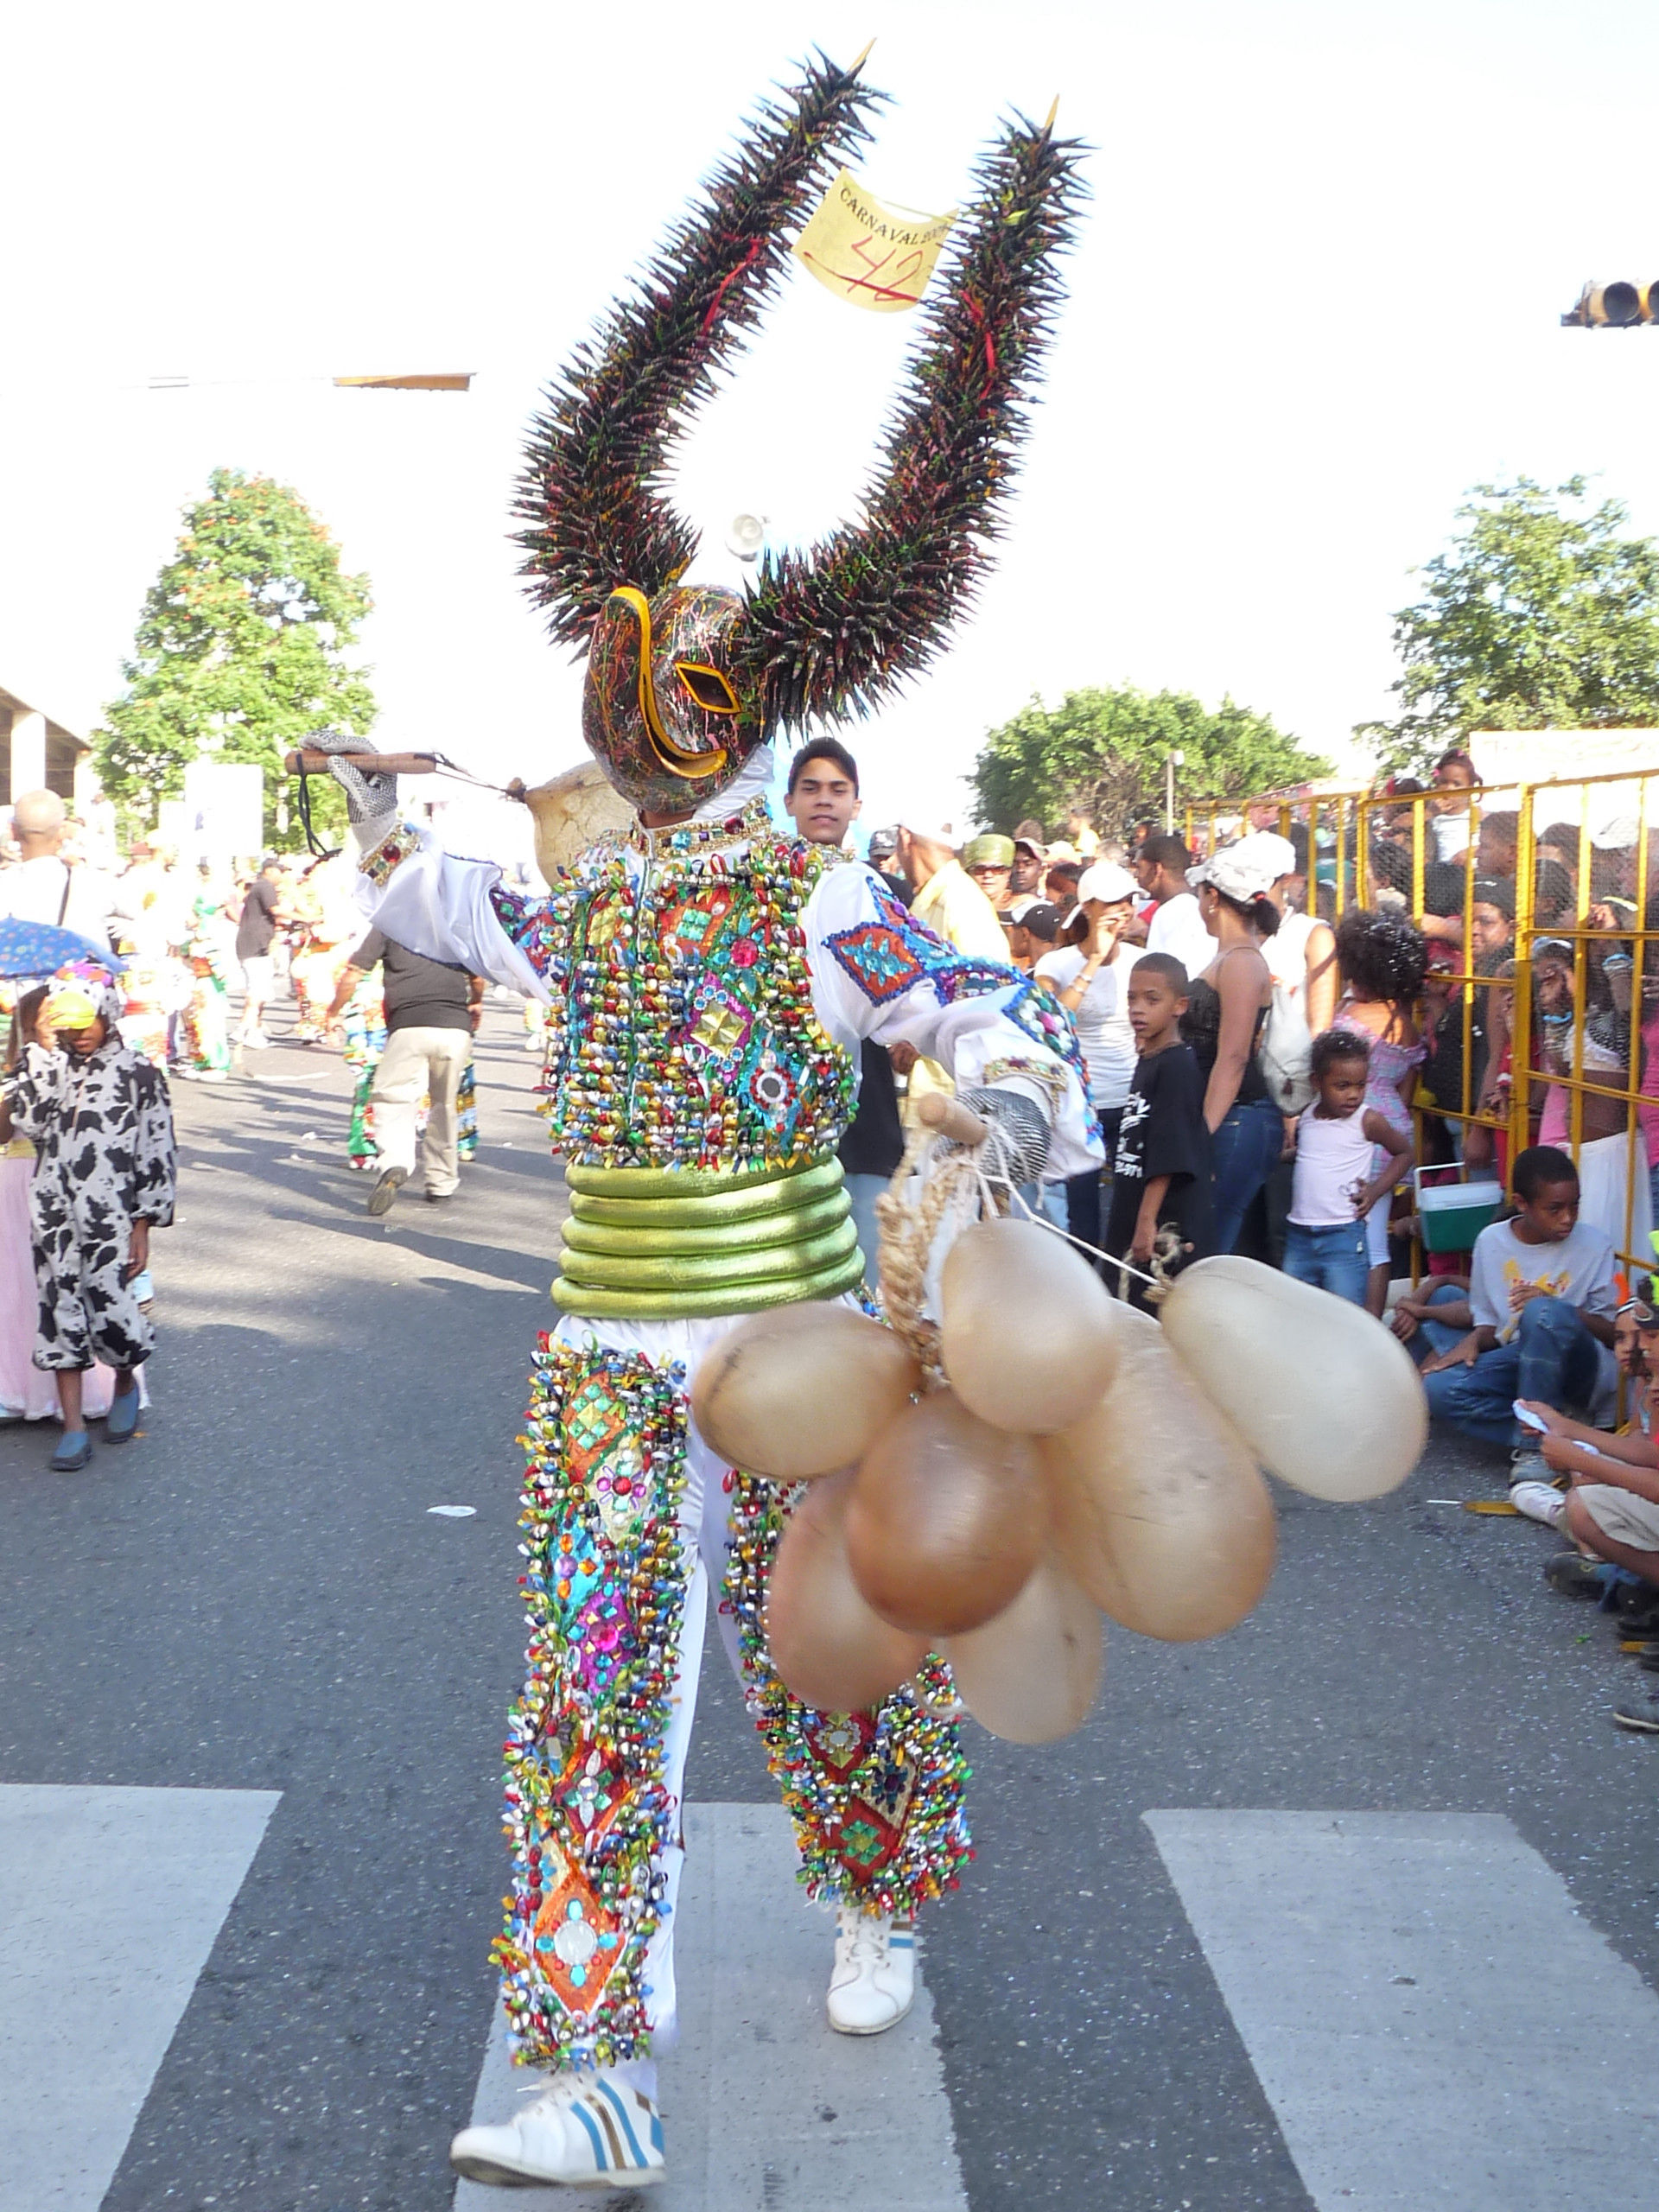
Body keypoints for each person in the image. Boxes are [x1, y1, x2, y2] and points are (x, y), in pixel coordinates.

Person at [1, 962, 175, 1471]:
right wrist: (41, 1052)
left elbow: (157, 1153)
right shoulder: (49, 1068)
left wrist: (143, 1225)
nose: (79, 1036)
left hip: (113, 1218)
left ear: (109, 1013)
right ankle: (74, 1428)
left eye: (87, 1023)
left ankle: (123, 1378)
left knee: (116, 1316)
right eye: (70, 1026)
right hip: (53, 1212)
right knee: (60, 1315)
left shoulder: (141, 1074)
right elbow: (27, 1123)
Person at [1417, 1146, 1618, 1484]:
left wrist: (1558, 1306)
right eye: (1554, 1209)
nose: (1568, 1217)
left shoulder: (1596, 1246)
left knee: (1541, 1313)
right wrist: (1474, 1339)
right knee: (1436, 1389)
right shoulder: (1491, 1241)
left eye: (1574, 1205)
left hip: (1580, 1368)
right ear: (1522, 1203)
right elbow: (1492, 1324)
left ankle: (1534, 1448)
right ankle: (1560, 1432)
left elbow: (1614, 1334)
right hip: (1520, 1360)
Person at [784, 741, 899, 1283]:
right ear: (788, 802)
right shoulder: (761, 894)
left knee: (871, 1292)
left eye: (837, 790)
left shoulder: (889, 895)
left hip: (868, 1123)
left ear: (857, 804)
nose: (823, 801)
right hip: (781, 1126)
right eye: (810, 789)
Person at [1179, 833, 1289, 1254]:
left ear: (1212, 896)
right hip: (1232, 1119)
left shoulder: (1241, 961)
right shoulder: (1233, 957)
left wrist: (1200, 1138)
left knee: (1209, 1248)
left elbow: (1234, 1056)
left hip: (1237, 1120)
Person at [327, 926, 485, 1212]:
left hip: (409, 1025)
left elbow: (353, 974)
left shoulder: (390, 924)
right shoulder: (452, 922)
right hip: (455, 1029)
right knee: (444, 1105)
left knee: (394, 1098)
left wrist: (334, 1011)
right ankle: (441, 1183)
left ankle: (396, 1162)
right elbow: (477, 977)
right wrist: (476, 1001)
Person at [1033, 861, 1141, 1256]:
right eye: (1113, 901)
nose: (1124, 909)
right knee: (1083, 1217)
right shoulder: (1056, 964)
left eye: (1129, 900)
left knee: (1129, 1210)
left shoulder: (1141, 961)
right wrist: (1094, 961)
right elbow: (1048, 1025)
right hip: (1082, 1106)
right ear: (1089, 907)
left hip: (1132, 1101)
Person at [1332, 908, 1428, 1315]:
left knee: (1339, 1232)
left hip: (1353, 1130)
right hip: (1393, 1131)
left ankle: (1342, 1313)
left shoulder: (1352, 1019)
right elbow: (1405, 1085)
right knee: (1375, 1241)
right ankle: (1371, 1323)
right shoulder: (1405, 1023)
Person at [1103, 953, 1212, 1308]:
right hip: (1130, 1204)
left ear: (1179, 1005)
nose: (1138, 1009)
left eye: (1152, 1000)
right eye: (1132, 999)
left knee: (1147, 1310)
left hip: (1158, 1221)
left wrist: (1146, 1223)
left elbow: (1168, 1153)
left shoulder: (1177, 1066)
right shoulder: (1149, 1058)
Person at [894, 812, 1011, 1126]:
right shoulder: (929, 900)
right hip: (929, 1099)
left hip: (954, 1103)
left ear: (905, 838)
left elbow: (990, 1001)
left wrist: (917, 1041)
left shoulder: (961, 903)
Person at [1283, 1030, 1412, 1304]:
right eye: (1342, 1086)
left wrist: (1375, 1192)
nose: (1353, 1095)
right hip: (1299, 1234)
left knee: (1345, 1311)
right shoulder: (1307, 1116)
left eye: (1360, 1085)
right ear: (1317, 1082)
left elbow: (1404, 1153)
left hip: (1343, 1234)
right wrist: (1283, 1155)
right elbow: (1313, 1153)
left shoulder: (1368, 1120)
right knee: (1295, 1309)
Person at [1135, 832, 1214, 981]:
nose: (1137, 876)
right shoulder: (1195, 904)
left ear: (1156, 870)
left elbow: (1168, 978)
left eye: (1139, 868)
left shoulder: (1175, 910)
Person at [234, 856, 284, 1047]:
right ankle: (248, 1031)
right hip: (255, 945)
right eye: (280, 871)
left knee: (258, 989)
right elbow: (276, 910)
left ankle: (249, 1029)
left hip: (253, 944)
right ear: (270, 870)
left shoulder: (258, 887)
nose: (282, 876)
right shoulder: (265, 886)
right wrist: (307, 917)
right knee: (258, 990)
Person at [961, 833, 1014, 913]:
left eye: (997, 869)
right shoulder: (956, 909)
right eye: (980, 870)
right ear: (969, 873)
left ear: (1008, 873)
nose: (988, 875)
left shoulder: (1026, 911)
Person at [1009, 828, 1046, 899]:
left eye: (1027, 864)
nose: (1020, 870)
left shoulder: (1050, 907)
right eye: (1015, 864)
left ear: (1041, 870)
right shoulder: (994, 906)